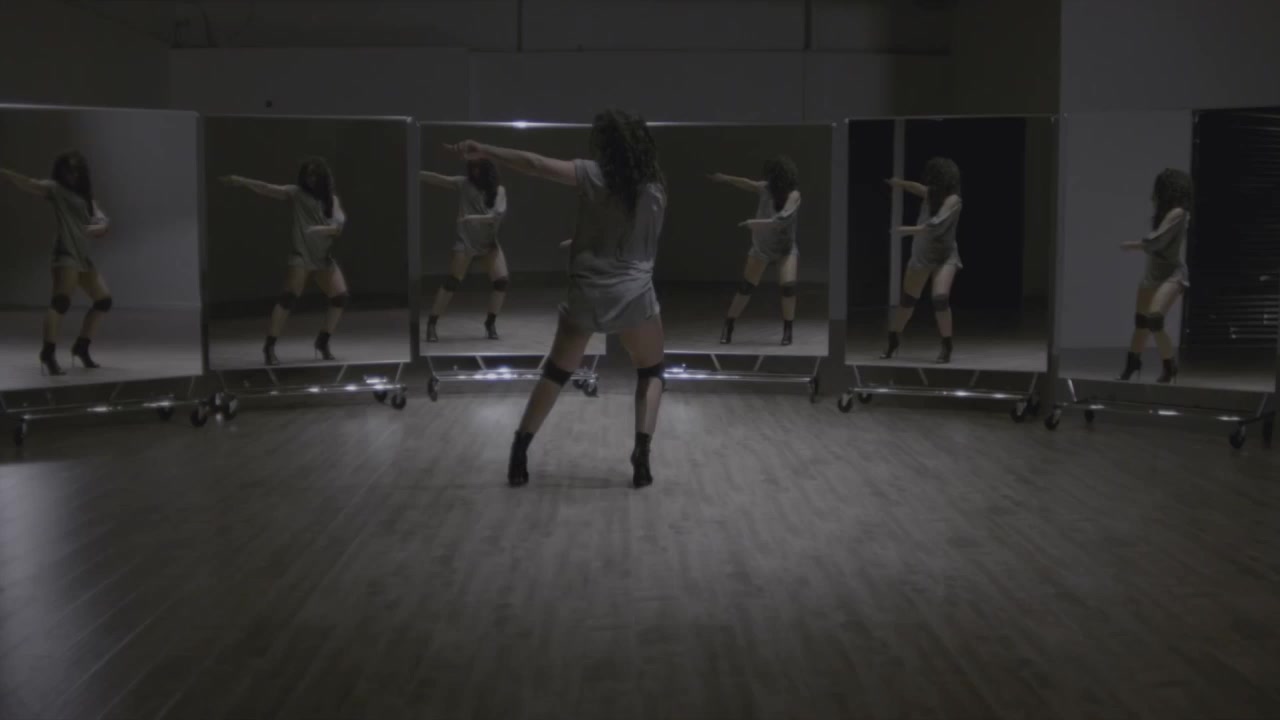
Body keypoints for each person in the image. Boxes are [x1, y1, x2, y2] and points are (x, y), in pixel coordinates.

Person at [447, 108, 666, 489]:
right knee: (651, 372)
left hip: (588, 293)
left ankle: (520, 449)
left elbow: (534, 163)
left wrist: (485, 149)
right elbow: (639, 239)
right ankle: (642, 454)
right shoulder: (655, 186)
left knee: (556, 373)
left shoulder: (593, 174)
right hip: (634, 294)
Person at [220, 157, 348, 366]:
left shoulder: (331, 200)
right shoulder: (297, 193)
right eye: (308, 175)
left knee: (340, 298)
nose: (311, 179)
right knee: (288, 297)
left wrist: (321, 230)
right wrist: (241, 181)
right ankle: (269, 346)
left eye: (315, 175)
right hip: (302, 255)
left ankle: (322, 341)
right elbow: (268, 188)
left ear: (322, 177)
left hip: (322, 258)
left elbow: (338, 227)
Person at [1, 151, 113, 376]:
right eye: (68, 169)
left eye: (76, 170)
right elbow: (29, 183)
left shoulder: (85, 196)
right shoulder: (56, 189)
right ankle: (48, 352)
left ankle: (81, 347)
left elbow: (100, 217)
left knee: (103, 301)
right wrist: (4, 172)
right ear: (61, 171)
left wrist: (102, 225)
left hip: (82, 256)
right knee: (61, 301)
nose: (72, 174)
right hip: (65, 254)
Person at [710, 156, 802, 346]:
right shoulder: (766, 188)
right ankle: (729, 324)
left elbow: (781, 220)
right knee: (746, 287)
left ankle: (788, 329)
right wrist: (725, 178)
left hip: (785, 248)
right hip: (762, 247)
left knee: (788, 287)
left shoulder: (794, 195)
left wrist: (754, 223)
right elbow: (747, 183)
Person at [880, 157, 963, 364]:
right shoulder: (931, 193)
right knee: (907, 301)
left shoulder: (953, 200)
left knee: (940, 298)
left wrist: (906, 230)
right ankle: (893, 339)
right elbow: (917, 187)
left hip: (945, 255)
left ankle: (947, 344)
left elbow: (935, 225)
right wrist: (899, 183)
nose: (929, 183)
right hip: (922, 254)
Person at [420, 159, 509, 341]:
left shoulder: (499, 190)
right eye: (472, 168)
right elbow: (440, 179)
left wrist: (470, 218)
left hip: (488, 243)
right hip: (466, 241)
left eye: (478, 168)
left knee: (501, 281)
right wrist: (416, 174)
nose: (475, 171)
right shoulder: (464, 184)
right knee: (452, 281)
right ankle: (432, 323)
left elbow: (495, 216)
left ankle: (490, 323)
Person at [1118, 168, 1193, 384]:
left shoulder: (1178, 213)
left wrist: (1132, 245)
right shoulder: (1166, 214)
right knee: (1141, 322)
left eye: (1157, 189)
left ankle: (1170, 366)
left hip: (1172, 273)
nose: (1154, 195)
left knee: (1154, 317)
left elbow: (1157, 242)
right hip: (1154, 272)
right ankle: (1132, 364)